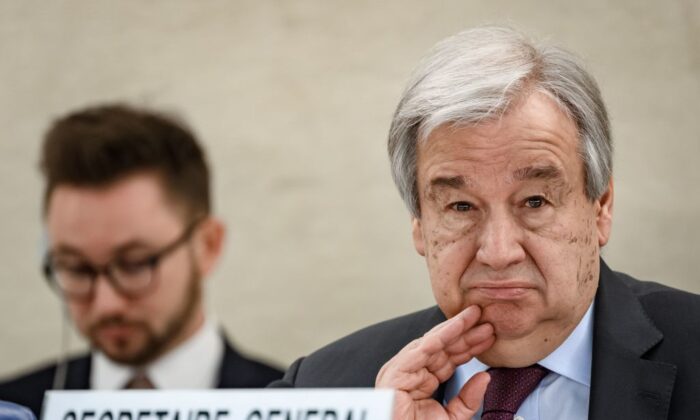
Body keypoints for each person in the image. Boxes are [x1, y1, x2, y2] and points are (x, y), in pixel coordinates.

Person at [271, 26, 700, 419]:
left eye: (535, 201)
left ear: (600, 207)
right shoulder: (322, 391)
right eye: (460, 206)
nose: (497, 252)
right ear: (419, 224)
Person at [0, 104, 283, 416]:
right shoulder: (14, 408)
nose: (107, 305)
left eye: (134, 264)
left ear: (207, 245)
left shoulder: (297, 408)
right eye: (76, 268)